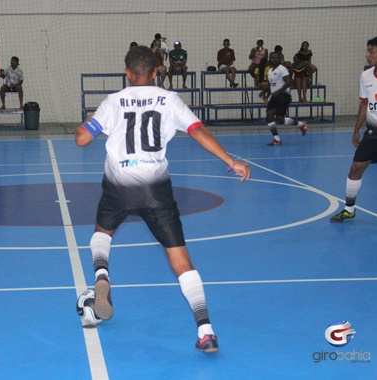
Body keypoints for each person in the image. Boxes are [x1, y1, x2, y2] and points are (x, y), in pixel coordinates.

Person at [75, 46, 250, 353]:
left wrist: (91, 121)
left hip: (119, 185)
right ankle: (206, 331)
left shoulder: (113, 102)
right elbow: (197, 130)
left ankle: (102, 276)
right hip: (156, 189)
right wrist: (230, 161)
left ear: (127, 73)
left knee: (103, 232)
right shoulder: (169, 99)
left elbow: (82, 139)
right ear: (156, 72)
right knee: (181, 260)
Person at [330, 33, 377, 223]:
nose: (367, 55)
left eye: (371, 51)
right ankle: (349, 209)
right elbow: (364, 104)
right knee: (356, 168)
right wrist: (356, 130)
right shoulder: (366, 76)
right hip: (375, 132)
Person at [263, 52, 308, 146]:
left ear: (279, 59)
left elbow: (289, 82)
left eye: (276, 58)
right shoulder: (270, 71)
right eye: (272, 58)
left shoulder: (282, 69)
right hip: (275, 96)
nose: (274, 59)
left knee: (279, 119)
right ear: (270, 59)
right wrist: (265, 94)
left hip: (283, 95)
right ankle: (277, 139)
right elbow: (270, 85)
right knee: (269, 117)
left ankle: (300, 124)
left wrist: (278, 92)